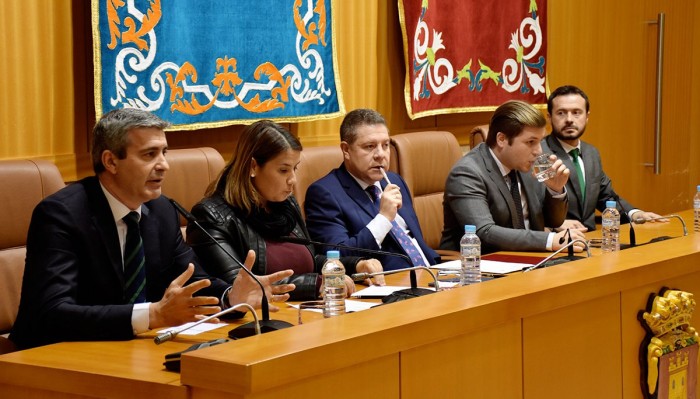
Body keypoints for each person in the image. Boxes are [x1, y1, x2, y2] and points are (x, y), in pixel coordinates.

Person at [9, 109, 294, 350]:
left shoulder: (160, 212)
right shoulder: (63, 215)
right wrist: (153, 314)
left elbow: (192, 281)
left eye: (164, 152)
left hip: (131, 352)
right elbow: (51, 314)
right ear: (111, 162)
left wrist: (231, 297)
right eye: (149, 155)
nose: (164, 165)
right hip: (56, 360)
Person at [187, 120, 385, 300]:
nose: (293, 180)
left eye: (295, 169)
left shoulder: (285, 205)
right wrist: (314, 284)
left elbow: (310, 260)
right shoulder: (211, 216)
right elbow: (239, 286)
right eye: (283, 170)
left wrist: (355, 265)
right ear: (253, 167)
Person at [440, 100, 587, 254]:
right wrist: (549, 240)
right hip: (478, 266)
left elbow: (553, 222)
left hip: (530, 259)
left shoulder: (526, 163)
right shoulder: (467, 173)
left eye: (540, 141)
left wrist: (555, 190)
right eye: (531, 142)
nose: (538, 151)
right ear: (501, 139)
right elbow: (484, 232)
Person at [304, 109, 440, 271]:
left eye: (385, 145)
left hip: (433, 273)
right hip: (391, 284)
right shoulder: (324, 193)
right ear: (346, 150)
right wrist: (383, 219)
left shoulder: (395, 181)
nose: (380, 155)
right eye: (370, 146)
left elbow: (414, 240)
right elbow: (336, 256)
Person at [542, 85, 667, 231]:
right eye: (561, 113)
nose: (569, 119)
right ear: (549, 117)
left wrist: (635, 214)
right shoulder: (540, 153)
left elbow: (606, 197)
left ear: (587, 116)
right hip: (556, 240)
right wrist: (554, 224)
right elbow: (533, 205)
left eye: (576, 112)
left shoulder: (591, 153)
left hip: (591, 241)